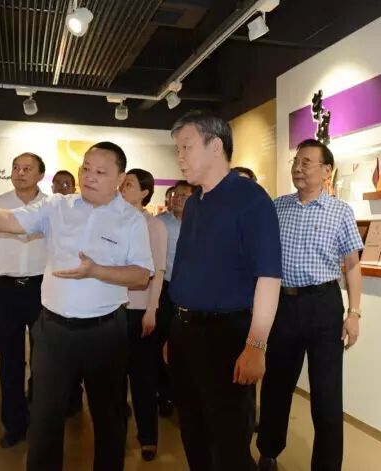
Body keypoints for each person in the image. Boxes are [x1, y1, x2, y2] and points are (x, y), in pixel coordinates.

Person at [0, 141, 154, 471]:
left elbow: (141, 275)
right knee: (45, 418)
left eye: (100, 172)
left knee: (108, 417)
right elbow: (9, 219)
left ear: (120, 177)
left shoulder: (131, 220)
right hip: (54, 330)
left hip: (105, 331)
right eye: (86, 168)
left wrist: (96, 271)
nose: (89, 176)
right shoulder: (57, 206)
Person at [166, 111, 282, 470]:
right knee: (193, 431)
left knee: (229, 442)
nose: (180, 157)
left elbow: (269, 277)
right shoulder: (194, 204)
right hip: (185, 331)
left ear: (215, 146)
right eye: (177, 149)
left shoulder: (251, 200)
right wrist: (175, 330)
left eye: (186, 147)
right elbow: (184, 271)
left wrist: (256, 345)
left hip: (226, 335)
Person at [257, 139, 363, 471]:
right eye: (296, 162)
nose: (298, 168)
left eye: (307, 162)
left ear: (326, 170)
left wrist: (354, 312)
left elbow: (352, 265)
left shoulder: (340, 212)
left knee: (326, 394)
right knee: (276, 384)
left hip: (323, 306)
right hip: (284, 306)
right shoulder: (277, 207)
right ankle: (269, 451)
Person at [0, 152, 47, 448]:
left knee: (44, 360)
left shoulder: (51, 207)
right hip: (6, 290)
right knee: (9, 359)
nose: (20, 173)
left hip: (41, 289)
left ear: (40, 175)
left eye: (27, 168)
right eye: (16, 167)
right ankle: (14, 424)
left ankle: (41, 420)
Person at [120, 168, 167, 462]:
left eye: (129, 184)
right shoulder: (111, 220)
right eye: (122, 183)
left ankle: (147, 437)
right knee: (112, 378)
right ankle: (115, 434)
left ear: (144, 192)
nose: (123, 188)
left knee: (143, 379)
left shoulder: (154, 226)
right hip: (112, 311)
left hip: (140, 311)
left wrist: (151, 310)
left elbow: (158, 271)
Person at [154, 179, 193, 416]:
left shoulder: (202, 224)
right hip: (164, 290)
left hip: (192, 292)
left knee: (185, 345)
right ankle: (164, 394)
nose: (177, 198)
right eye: (175, 194)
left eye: (184, 195)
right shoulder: (160, 223)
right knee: (162, 341)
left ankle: (183, 394)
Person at [51, 170, 84, 417]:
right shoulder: (46, 211)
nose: (63, 187)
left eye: (67, 184)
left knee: (76, 354)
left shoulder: (84, 214)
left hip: (77, 292)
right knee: (51, 354)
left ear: (74, 188)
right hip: (49, 293)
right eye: (58, 183)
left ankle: (74, 396)